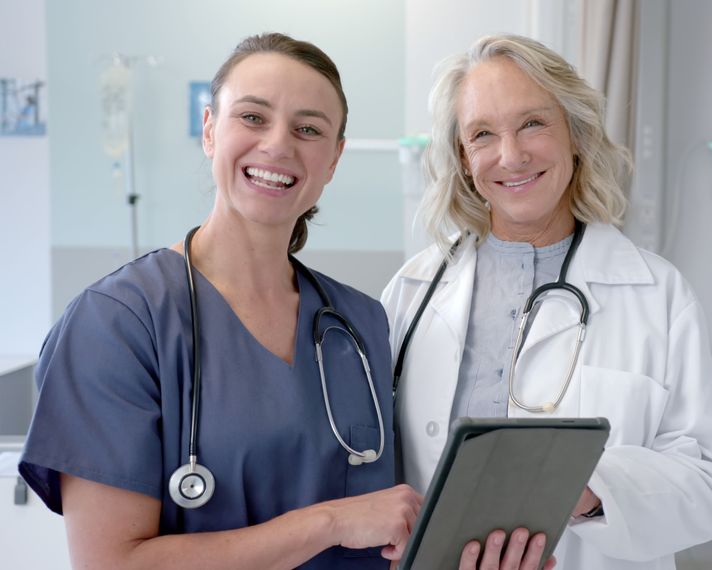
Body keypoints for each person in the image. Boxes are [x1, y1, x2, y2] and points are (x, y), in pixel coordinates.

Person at [17, 33, 424, 569]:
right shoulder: (118, 323)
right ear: (211, 131)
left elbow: (393, 521)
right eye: (253, 117)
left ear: (334, 159)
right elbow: (111, 564)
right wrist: (331, 522)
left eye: (308, 129)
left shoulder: (357, 321)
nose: (279, 145)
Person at [381, 34, 712, 570]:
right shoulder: (413, 291)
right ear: (463, 158)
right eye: (483, 134)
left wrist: (589, 491)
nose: (511, 155)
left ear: (575, 135)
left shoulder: (657, 294)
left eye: (533, 123)